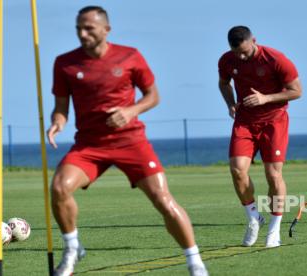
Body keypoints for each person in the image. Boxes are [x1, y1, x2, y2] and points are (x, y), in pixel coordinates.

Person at [47, 6, 208, 276]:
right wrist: (57, 123)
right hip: (89, 145)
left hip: (130, 142)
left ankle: (195, 263)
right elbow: (61, 106)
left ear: (106, 30)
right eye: (78, 29)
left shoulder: (130, 56)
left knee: (163, 199)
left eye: (89, 28)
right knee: (59, 188)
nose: (82, 34)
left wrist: (130, 111)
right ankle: (73, 248)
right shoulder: (64, 63)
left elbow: (153, 96)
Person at [218, 26, 302, 248]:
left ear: (253, 40)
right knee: (237, 169)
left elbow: (296, 91)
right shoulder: (227, 60)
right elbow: (224, 83)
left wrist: (266, 98)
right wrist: (230, 104)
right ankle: (254, 217)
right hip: (245, 121)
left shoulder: (275, 58)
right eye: (237, 53)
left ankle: (275, 227)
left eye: (245, 51)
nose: (242, 56)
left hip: (274, 121)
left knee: (273, 175)